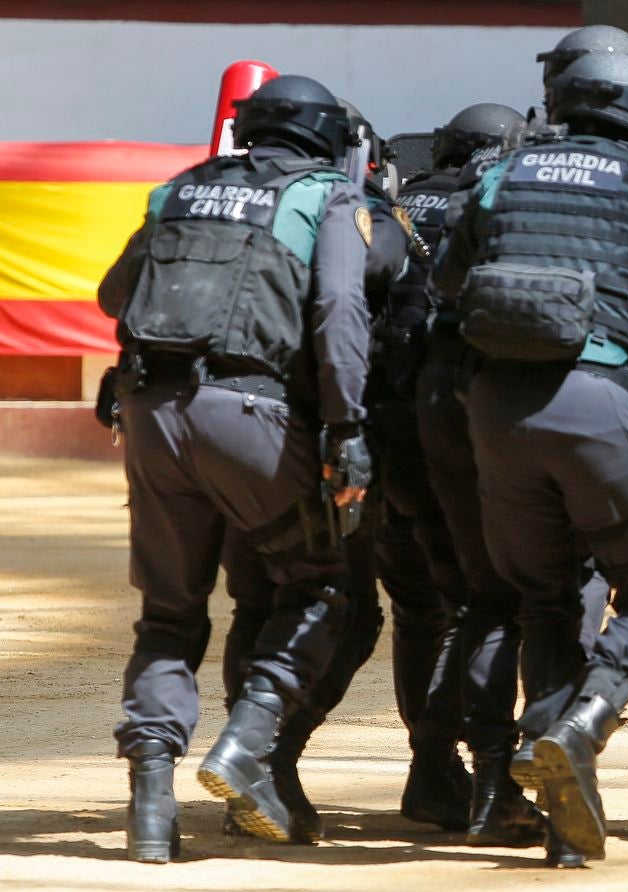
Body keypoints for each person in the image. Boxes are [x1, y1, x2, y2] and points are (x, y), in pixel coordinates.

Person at [434, 51, 628, 866]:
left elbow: (449, 275)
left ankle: (567, 822)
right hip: (598, 403)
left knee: (544, 599)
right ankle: (584, 721)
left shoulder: (503, 176)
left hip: (496, 411)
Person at [97, 73, 370, 860]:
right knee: (320, 585)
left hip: (151, 414)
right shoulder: (326, 198)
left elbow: (116, 294)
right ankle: (246, 742)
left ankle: (151, 809)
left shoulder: (176, 190)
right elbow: (339, 314)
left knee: (171, 613)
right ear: (325, 138)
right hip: (253, 415)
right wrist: (347, 427)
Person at [217, 102, 474, 842]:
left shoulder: (261, 203)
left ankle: (267, 768)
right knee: (433, 609)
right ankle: (434, 770)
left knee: (280, 603)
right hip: (400, 447)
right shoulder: (368, 209)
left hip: (285, 433)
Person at [407, 101, 549, 847]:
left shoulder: (399, 199)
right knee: (499, 603)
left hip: (390, 423)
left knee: (419, 606)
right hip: (482, 420)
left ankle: (438, 770)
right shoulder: (509, 198)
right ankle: (469, 773)